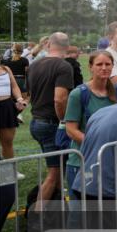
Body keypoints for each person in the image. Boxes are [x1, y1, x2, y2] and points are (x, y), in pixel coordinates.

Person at [62, 52, 117, 192]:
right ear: (90, 67)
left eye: (108, 64)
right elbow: (71, 130)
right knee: (82, 210)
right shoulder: (79, 94)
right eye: (99, 64)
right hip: (82, 162)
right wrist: (97, 145)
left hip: (110, 163)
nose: (104, 68)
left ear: (113, 66)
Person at [28, 32, 74, 202]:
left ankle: (56, 211)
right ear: (67, 47)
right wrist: (63, 120)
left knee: (57, 168)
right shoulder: (63, 66)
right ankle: (37, 218)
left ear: (49, 44)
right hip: (50, 124)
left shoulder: (34, 65)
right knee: (54, 174)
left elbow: (31, 92)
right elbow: (59, 99)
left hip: (36, 121)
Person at [0, 61, 28, 160]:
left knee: (8, 142)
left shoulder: (6, 69)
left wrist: (19, 99)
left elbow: (14, 86)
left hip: (6, 107)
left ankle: (9, 172)